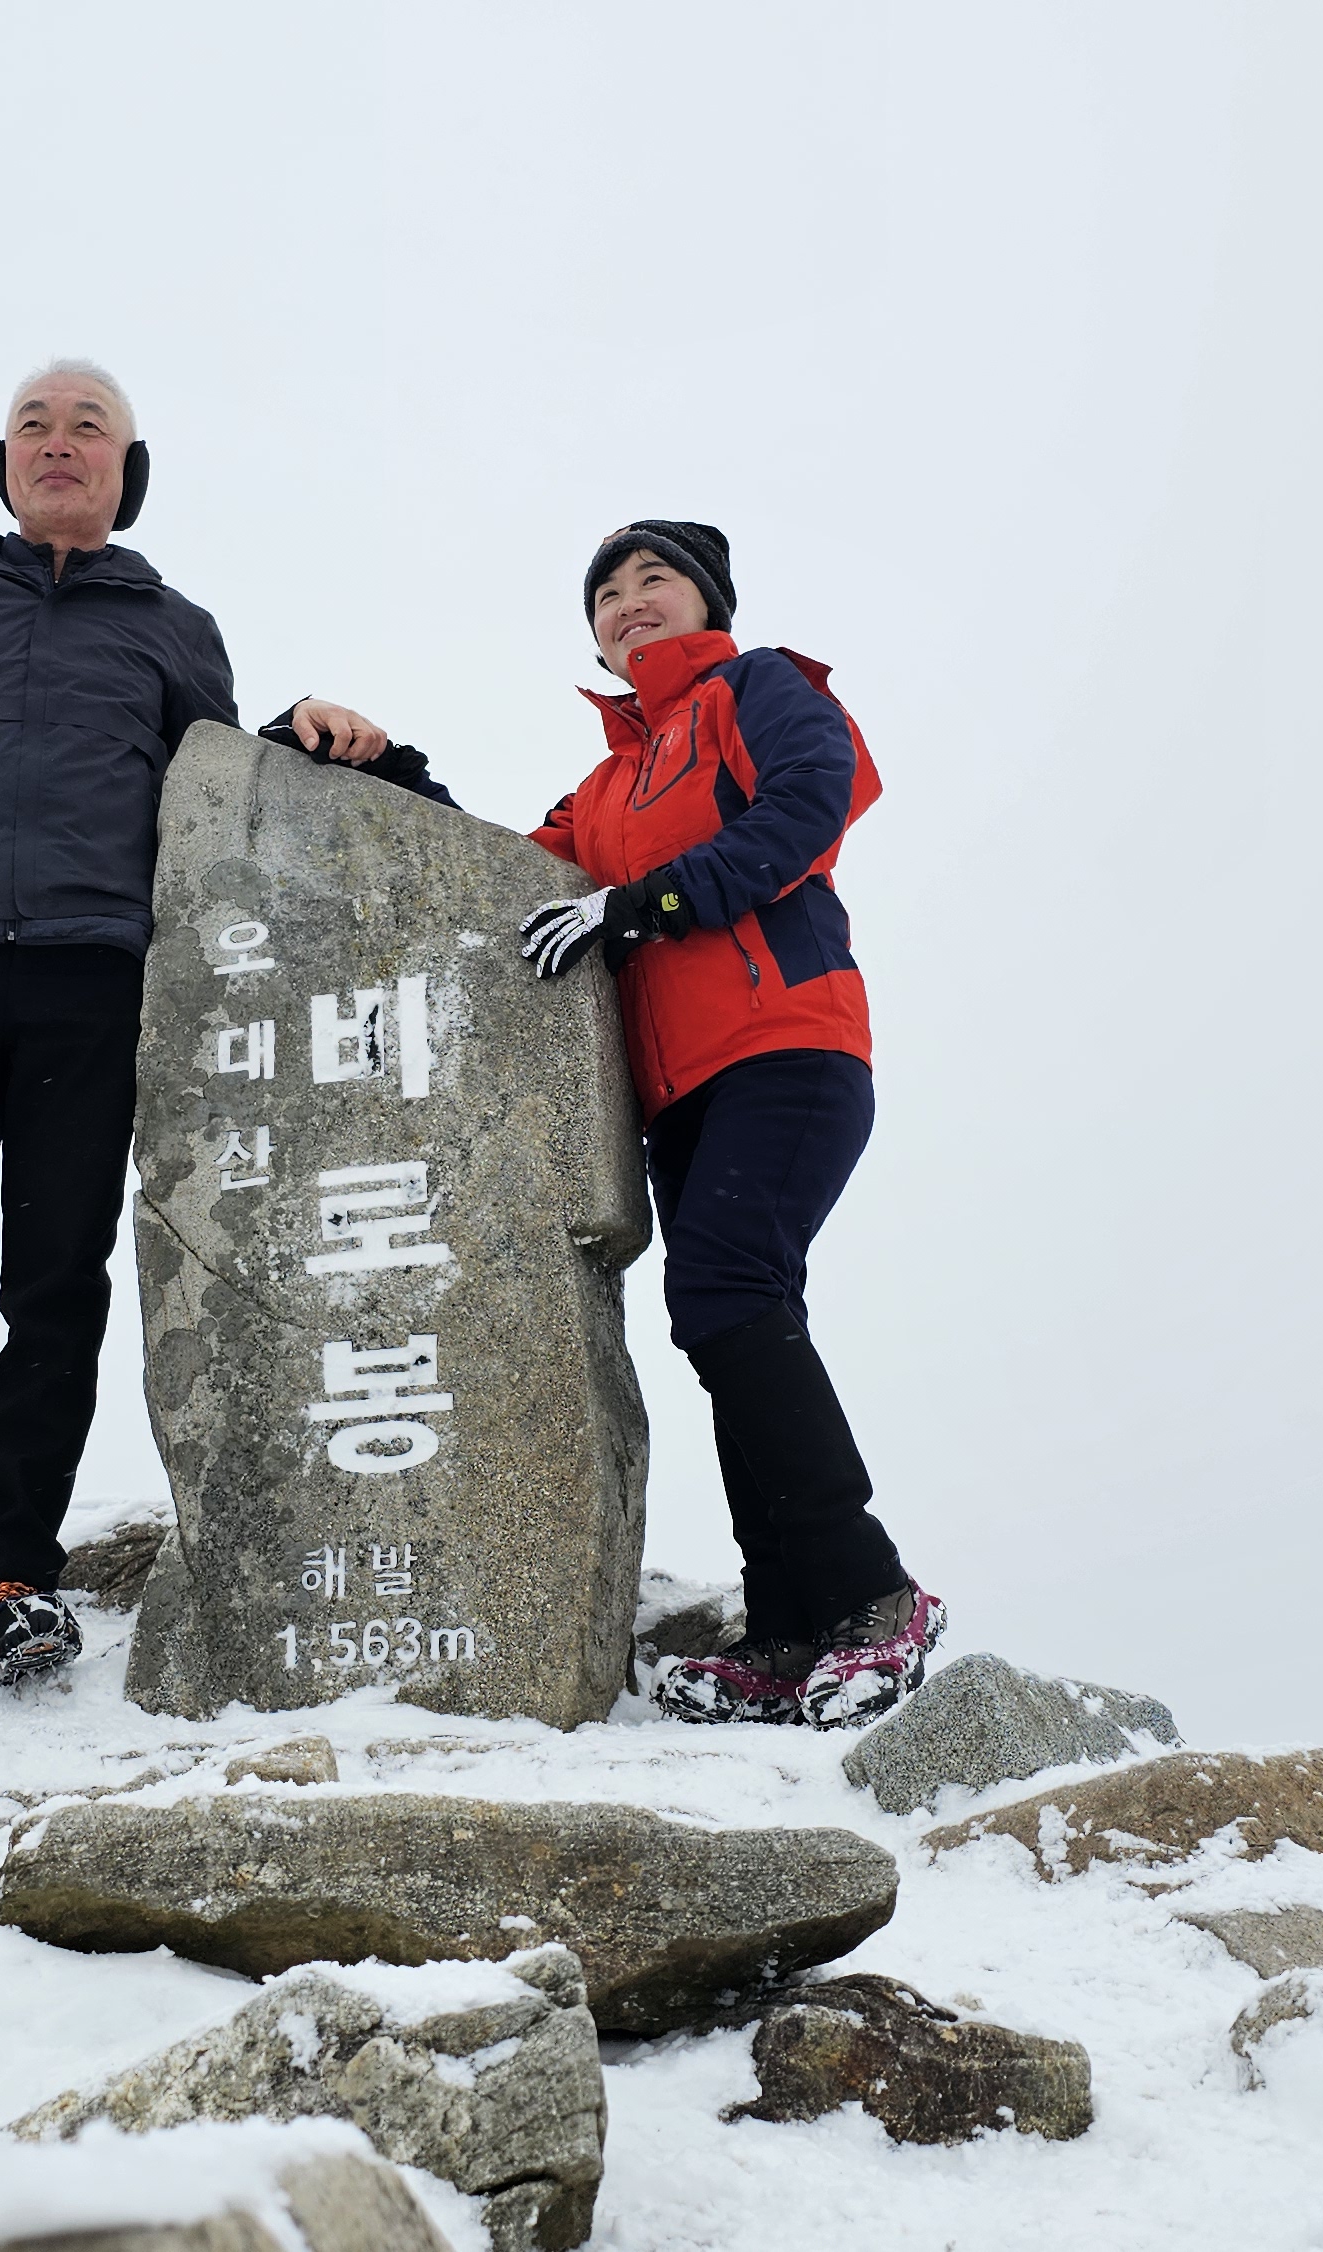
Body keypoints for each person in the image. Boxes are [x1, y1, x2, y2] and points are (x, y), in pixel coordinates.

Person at [0, 361, 449, 1708]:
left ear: (130, 472)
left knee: (55, 1284)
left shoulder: (173, 627)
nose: (59, 443)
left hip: (96, 983)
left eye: (90, 428)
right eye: (35, 425)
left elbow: (212, 790)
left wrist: (303, 731)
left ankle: (12, 1574)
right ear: (3, 461)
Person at [515, 520, 942, 1728]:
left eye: (654, 577)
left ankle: (870, 1595)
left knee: (725, 1290)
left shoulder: (757, 688)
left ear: (708, 601)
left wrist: (646, 901)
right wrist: (376, 765)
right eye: (606, 592)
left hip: (786, 1043)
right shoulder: (604, 785)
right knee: (725, 1312)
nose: (629, 600)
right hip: (678, 1089)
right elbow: (506, 873)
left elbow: (811, 802)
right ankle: (790, 1629)